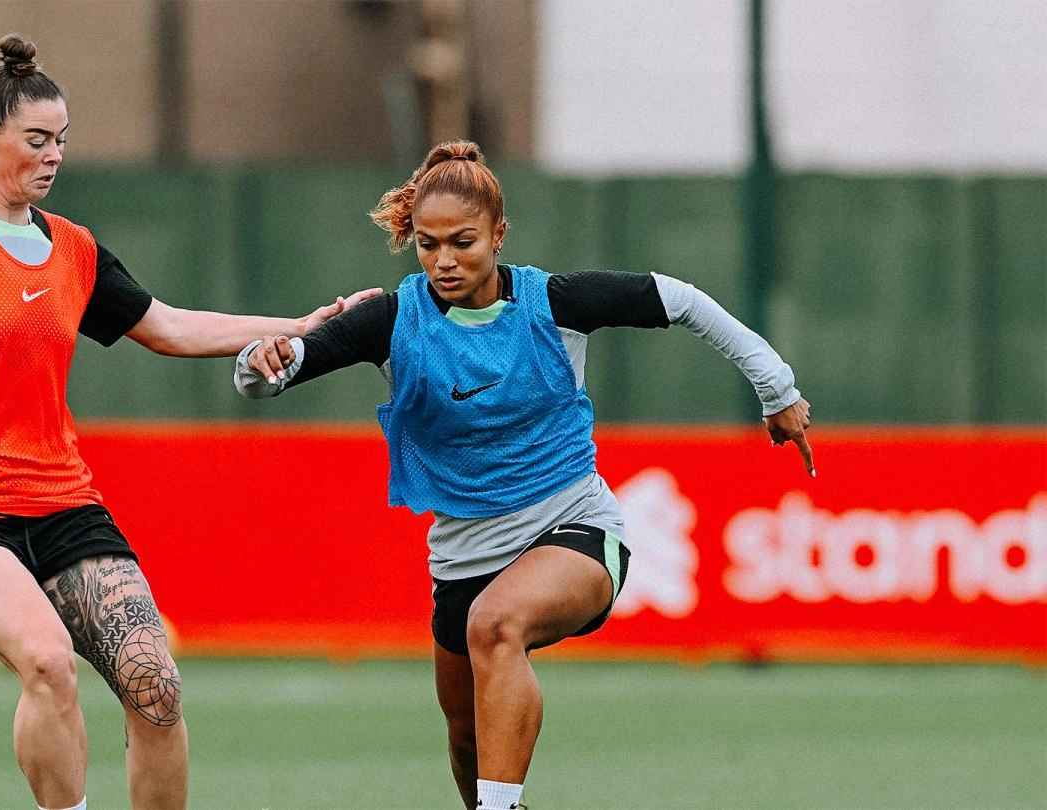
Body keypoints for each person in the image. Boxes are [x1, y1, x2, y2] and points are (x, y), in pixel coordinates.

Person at [0, 34, 378, 810]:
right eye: (37, 140)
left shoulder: (74, 250)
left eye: (62, 141)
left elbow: (171, 326)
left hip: (57, 499)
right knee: (49, 661)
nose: (54, 156)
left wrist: (303, 324)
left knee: (155, 684)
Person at [235, 140, 813, 810]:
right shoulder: (393, 322)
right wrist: (260, 361)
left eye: (463, 241)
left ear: (499, 235)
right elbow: (269, 376)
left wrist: (777, 390)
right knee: (463, 737)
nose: (445, 261)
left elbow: (679, 299)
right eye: (427, 245)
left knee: (495, 624)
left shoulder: (555, 305)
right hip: (461, 562)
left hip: (575, 533)